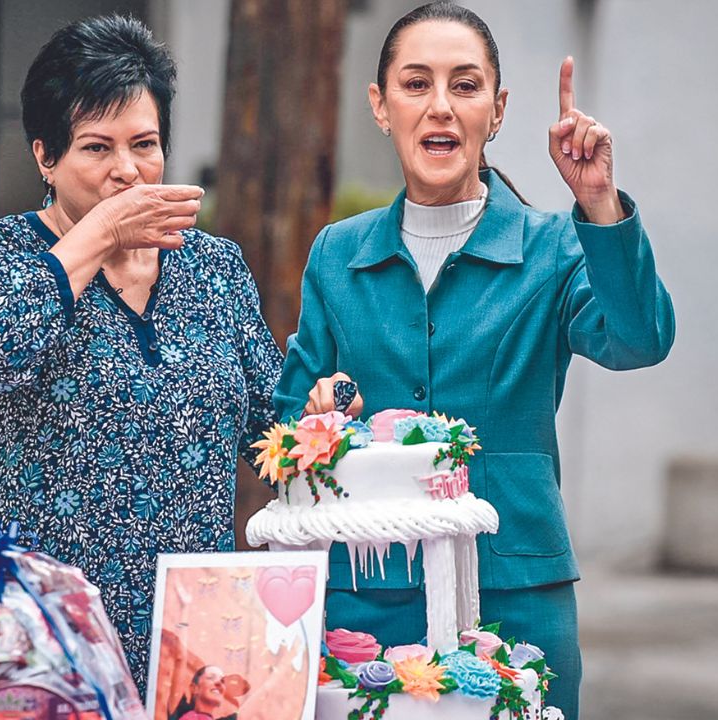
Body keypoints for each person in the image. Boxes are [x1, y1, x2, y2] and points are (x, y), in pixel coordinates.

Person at [274, 4, 676, 718]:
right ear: (380, 105)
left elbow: (639, 338)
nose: (440, 107)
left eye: (465, 85)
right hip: (370, 596)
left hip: (516, 592)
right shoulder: (339, 254)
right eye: (415, 83)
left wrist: (600, 205)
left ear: (497, 110)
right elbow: (287, 423)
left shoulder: (554, 247)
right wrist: (320, 411)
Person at [0, 15, 282, 688]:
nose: (128, 171)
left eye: (146, 145)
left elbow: (272, 433)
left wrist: (319, 416)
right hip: (43, 634)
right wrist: (100, 234)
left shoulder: (213, 267)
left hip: (193, 637)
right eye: (97, 148)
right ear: (45, 155)